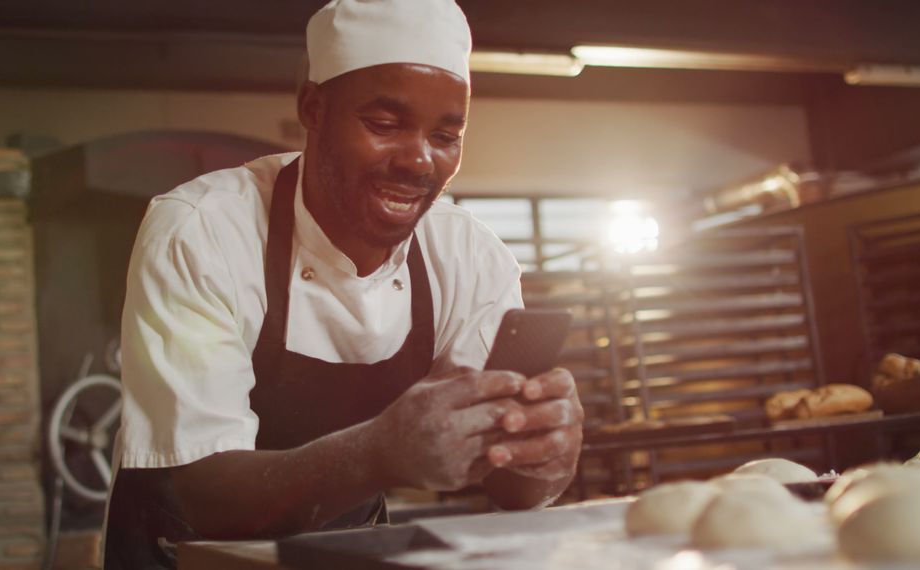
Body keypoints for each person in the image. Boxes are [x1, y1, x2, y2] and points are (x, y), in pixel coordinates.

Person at [103, 0, 585, 567]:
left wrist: (544, 452)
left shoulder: (470, 256)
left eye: (446, 135)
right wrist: (378, 453)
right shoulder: (204, 231)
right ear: (313, 107)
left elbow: (511, 487)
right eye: (384, 125)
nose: (419, 161)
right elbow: (200, 493)